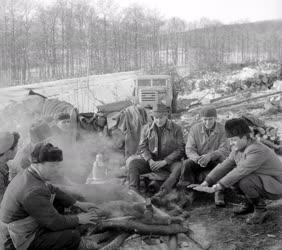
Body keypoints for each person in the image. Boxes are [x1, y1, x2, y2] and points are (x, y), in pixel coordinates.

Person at [0, 142, 102, 250]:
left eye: (58, 165)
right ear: (37, 164)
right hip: (19, 240)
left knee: (58, 202)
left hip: (23, 226)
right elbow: (55, 222)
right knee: (73, 236)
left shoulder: (31, 173)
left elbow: (52, 189)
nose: (57, 169)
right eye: (52, 165)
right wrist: (79, 219)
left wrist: (78, 203)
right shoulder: (32, 191)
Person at [200, 118, 282, 224]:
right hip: (265, 181)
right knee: (234, 178)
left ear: (244, 137)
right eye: (230, 141)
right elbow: (224, 166)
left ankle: (261, 209)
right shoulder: (238, 149)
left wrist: (218, 186)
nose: (232, 144)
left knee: (244, 180)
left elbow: (240, 171)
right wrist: (206, 182)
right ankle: (250, 204)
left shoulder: (256, 149)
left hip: (277, 185)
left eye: (234, 140)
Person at [127, 103, 185, 199]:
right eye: (156, 117)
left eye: (161, 117)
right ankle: (134, 192)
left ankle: (163, 192)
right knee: (133, 163)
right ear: (153, 117)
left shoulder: (176, 128)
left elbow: (180, 149)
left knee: (179, 167)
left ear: (166, 116)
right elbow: (142, 146)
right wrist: (149, 160)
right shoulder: (146, 128)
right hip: (153, 162)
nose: (158, 120)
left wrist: (165, 161)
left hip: (169, 162)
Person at [178, 106, 230, 206]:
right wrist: (197, 158)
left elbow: (225, 149)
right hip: (199, 159)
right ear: (201, 119)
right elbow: (189, 149)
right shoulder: (195, 129)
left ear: (215, 118)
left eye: (210, 119)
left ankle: (219, 193)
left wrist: (210, 156)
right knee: (186, 164)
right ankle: (187, 193)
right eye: (205, 119)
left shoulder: (223, 129)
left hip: (215, 159)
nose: (207, 122)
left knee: (222, 164)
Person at [0, 132, 20, 203]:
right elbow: (3, 202)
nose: (18, 149)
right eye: (16, 146)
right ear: (8, 151)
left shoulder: (4, 165)